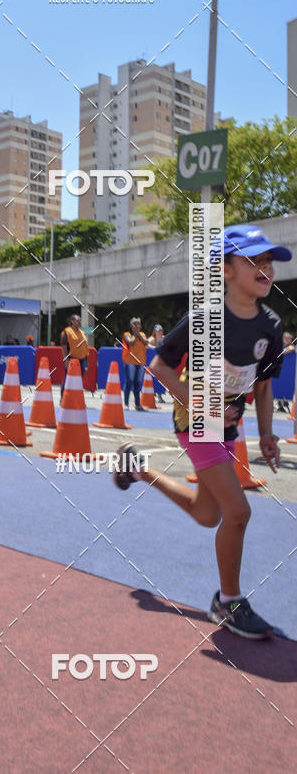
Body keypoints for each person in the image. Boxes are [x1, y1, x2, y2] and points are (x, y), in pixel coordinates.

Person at [114, 224, 291, 639]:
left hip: (227, 425)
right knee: (239, 512)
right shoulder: (205, 319)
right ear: (225, 270)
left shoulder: (270, 326)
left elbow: (263, 386)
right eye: (253, 260)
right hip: (196, 422)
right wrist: (194, 403)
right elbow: (157, 366)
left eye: (269, 261)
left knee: (207, 513)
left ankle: (137, 469)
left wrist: (266, 434)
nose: (265, 268)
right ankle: (227, 602)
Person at [121, 317, 149, 410]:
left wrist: (138, 335)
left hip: (140, 362)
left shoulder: (142, 334)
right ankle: (126, 403)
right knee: (129, 382)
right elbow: (130, 342)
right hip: (130, 362)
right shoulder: (126, 334)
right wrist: (135, 334)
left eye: (139, 324)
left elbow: (145, 342)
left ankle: (137, 404)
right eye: (135, 324)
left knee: (138, 383)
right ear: (130, 325)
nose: (137, 326)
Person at [60, 314, 89, 401]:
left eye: (80, 320)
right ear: (72, 321)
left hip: (82, 359)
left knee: (79, 381)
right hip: (72, 359)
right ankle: (63, 398)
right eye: (77, 320)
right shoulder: (67, 331)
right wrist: (66, 359)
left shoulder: (82, 332)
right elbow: (64, 345)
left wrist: (87, 361)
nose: (79, 322)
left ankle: (76, 400)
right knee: (68, 379)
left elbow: (85, 346)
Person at [278, 332, 295, 412]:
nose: (288, 340)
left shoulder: (291, 347)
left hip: (288, 372)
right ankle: (280, 404)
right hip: (280, 371)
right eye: (286, 338)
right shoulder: (280, 346)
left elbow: (291, 349)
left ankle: (284, 403)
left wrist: (281, 353)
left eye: (290, 339)